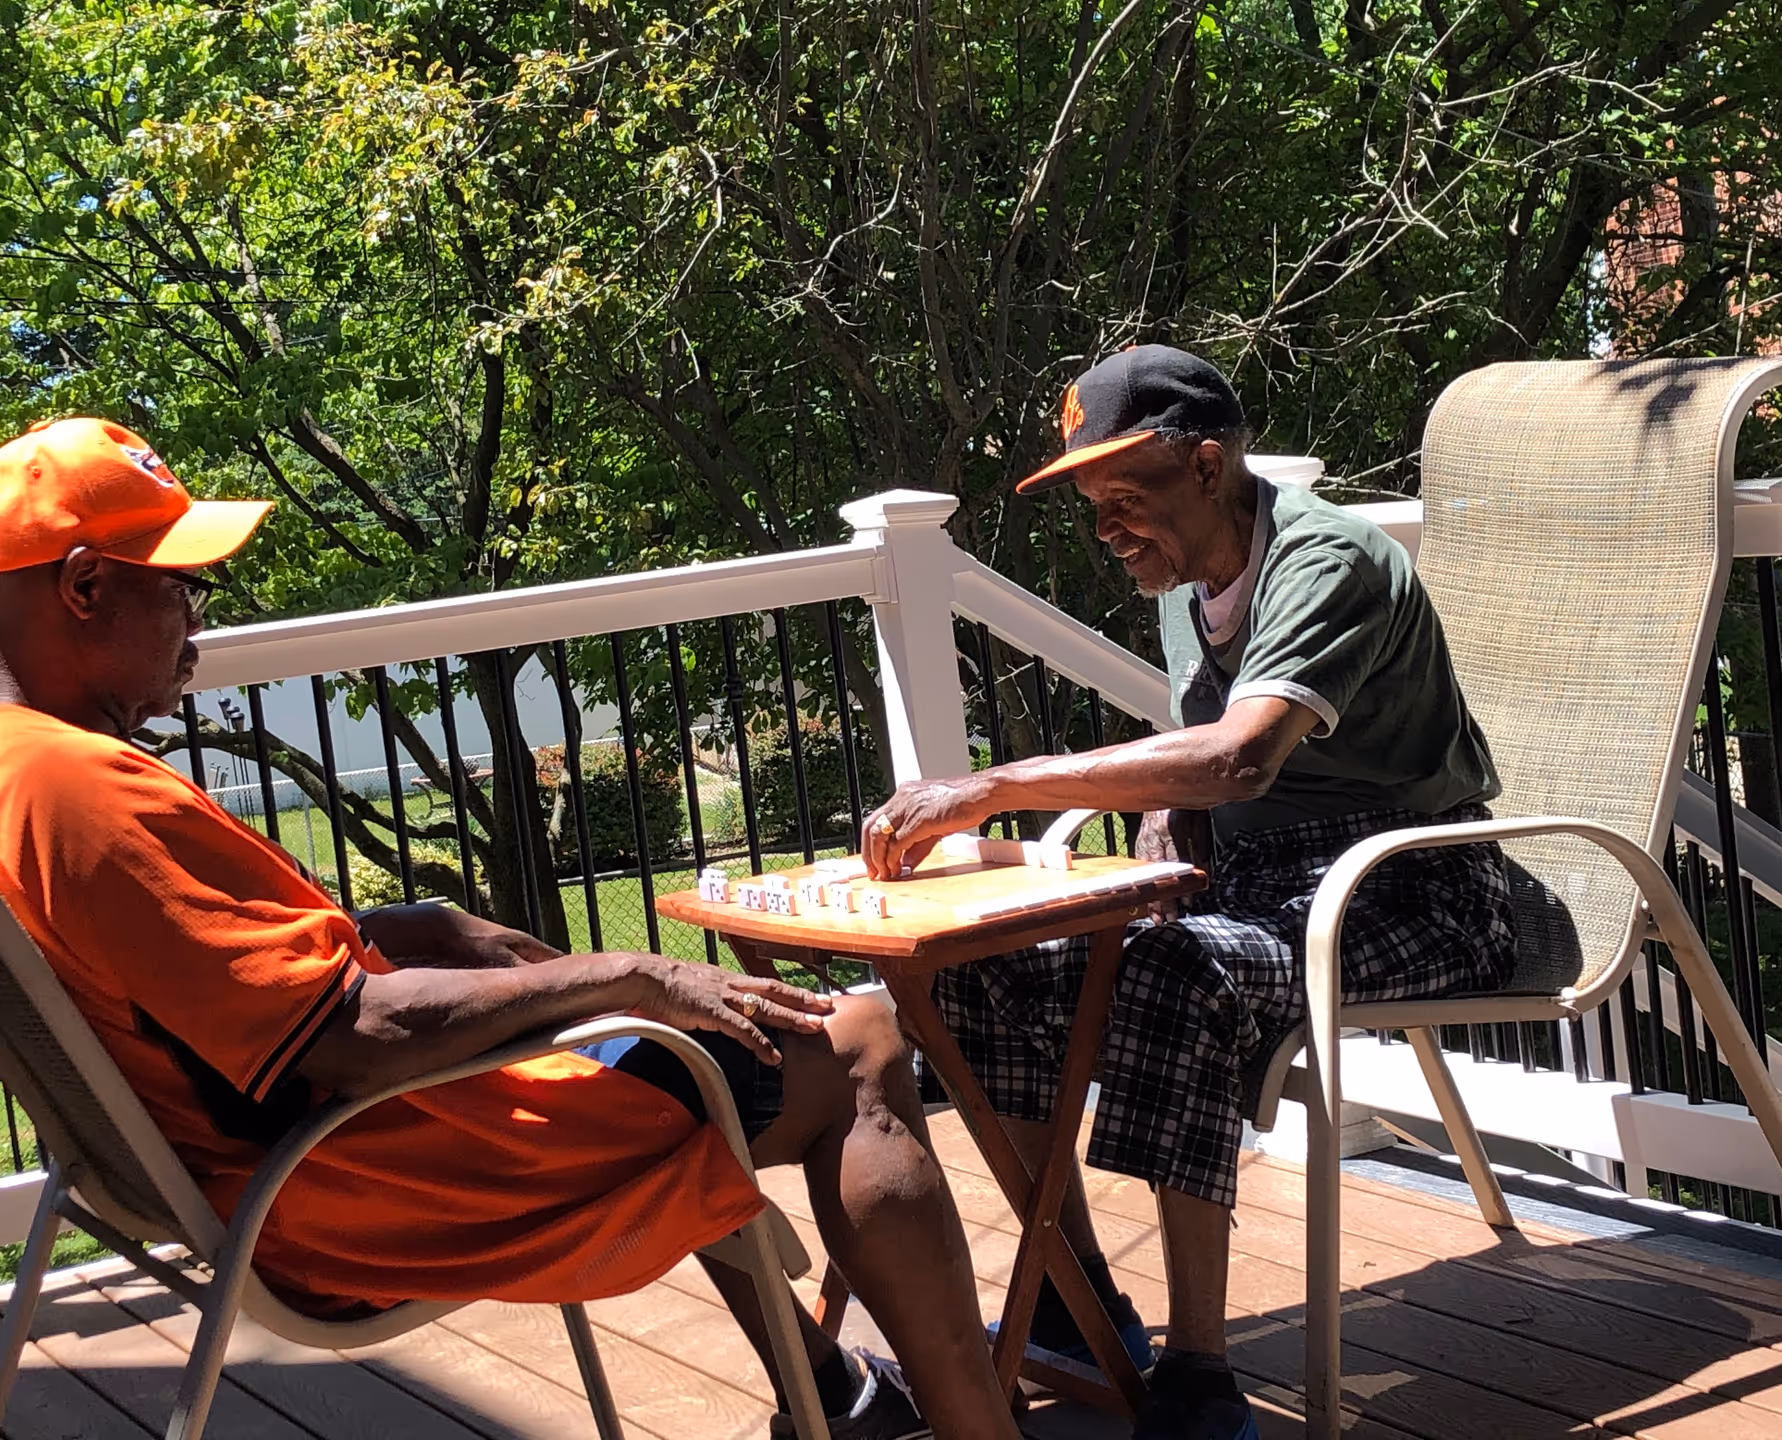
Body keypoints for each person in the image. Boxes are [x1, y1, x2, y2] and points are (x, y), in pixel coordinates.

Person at [0, 416, 1023, 1440]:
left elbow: (212, 981)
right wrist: (623, 974)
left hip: (256, 1165)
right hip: (370, 1175)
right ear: (86, 587)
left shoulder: (17, 767)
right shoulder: (79, 788)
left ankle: (834, 1397)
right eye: (181, 590)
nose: (196, 628)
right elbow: (354, 1041)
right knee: (855, 1041)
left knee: (694, 1056)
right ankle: (980, 1428)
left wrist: (401, 926)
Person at [860, 346, 1517, 1440]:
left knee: (1170, 972)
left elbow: (1238, 760)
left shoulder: (1325, 560)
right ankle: (1076, 1310)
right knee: (985, 962)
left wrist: (992, 788)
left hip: (1414, 881)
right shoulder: (1192, 581)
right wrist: (1157, 855)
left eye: (1127, 496)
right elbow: (1196, 773)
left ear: (1208, 467)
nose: (1108, 527)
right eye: (1092, 504)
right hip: (1268, 888)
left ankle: (1201, 1373)